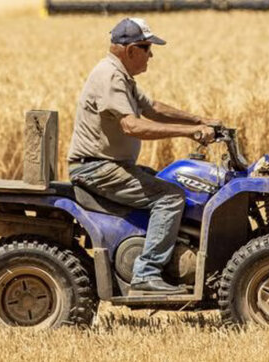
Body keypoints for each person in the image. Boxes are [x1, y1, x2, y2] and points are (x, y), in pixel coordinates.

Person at [67, 17, 218, 296]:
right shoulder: (110, 76)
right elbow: (132, 125)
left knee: (166, 181)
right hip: (97, 168)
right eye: (148, 48)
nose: (151, 54)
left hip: (109, 165)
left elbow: (153, 108)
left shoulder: (122, 75)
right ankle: (146, 273)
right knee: (169, 196)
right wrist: (189, 133)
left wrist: (200, 119)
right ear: (131, 49)